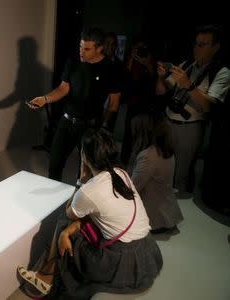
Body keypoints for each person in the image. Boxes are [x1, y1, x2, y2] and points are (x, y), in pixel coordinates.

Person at [17, 128, 162, 299]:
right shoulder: (121, 173)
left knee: (64, 220)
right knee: (77, 222)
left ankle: (46, 276)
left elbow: (70, 213)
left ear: (84, 156)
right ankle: (48, 270)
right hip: (146, 252)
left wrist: (82, 178)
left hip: (121, 263)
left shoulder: (90, 190)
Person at [28, 27, 121, 182]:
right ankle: (54, 202)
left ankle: (78, 204)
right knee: (54, 165)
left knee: (85, 172)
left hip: (90, 127)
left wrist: (103, 126)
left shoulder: (110, 70)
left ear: (100, 48)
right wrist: (44, 99)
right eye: (80, 46)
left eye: (87, 49)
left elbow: (114, 102)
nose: (81, 52)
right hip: (66, 122)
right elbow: (63, 88)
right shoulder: (73, 63)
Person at [155, 24, 230, 198]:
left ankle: (178, 209)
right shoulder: (187, 64)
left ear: (215, 47)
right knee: (160, 168)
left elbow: (209, 106)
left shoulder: (222, 72)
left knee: (181, 173)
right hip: (168, 121)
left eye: (203, 44)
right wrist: (160, 77)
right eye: (196, 43)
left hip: (190, 127)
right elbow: (161, 91)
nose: (197, 48)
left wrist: (188, 85)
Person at [131, 119, 183, 234]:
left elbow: (133, 187)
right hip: (166, 211)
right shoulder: (168, 153)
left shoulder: (148, 156)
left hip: (152, 217)